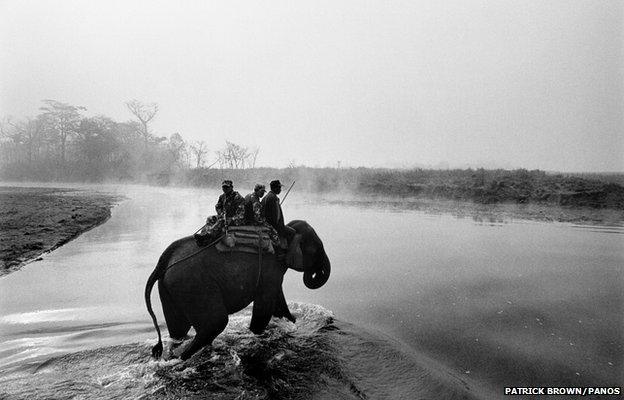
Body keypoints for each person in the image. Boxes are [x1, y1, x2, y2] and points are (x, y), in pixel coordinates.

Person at [194, 180, 245, 245]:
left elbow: (241, 215)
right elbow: (218, 206)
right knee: (210, 218)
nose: (225, 189)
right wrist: (220, 213)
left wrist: (232, 219)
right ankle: (204, 233)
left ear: (231, 187)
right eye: (223, 187)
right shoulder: (222, 196)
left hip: (236, 219)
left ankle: (208, 235)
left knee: (221, 221)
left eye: (227, 187)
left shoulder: (237, 198)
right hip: (225, 216)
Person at [261, 180, 296, 248]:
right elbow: (276, 217)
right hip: (274, 226)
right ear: (275, 188)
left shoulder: (267, 197)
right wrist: (279, 228)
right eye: (279, 188)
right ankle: (287, 251)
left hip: (267, 224)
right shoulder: (274, 198)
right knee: (292, 232)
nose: (280, 190)